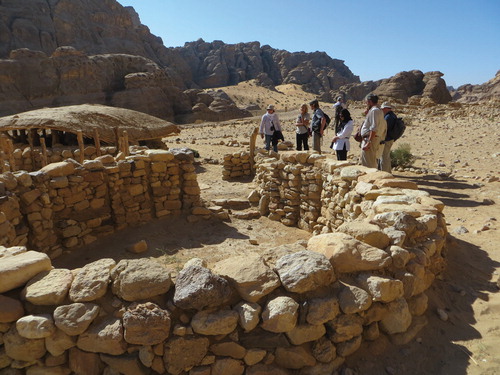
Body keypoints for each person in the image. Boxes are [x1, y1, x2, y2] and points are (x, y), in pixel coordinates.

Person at [359, 93, 386, 168]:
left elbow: (374, 127)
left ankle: (370, 179)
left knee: (368, 164)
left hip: (370, 140)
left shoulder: (375, 111)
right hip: (370, 139)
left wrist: (369, 142)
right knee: (369, 161)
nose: (366, 104)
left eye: (366, 102)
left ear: (369, 101)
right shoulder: (375, 111)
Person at [379, 102, 397, 172]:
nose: (382, 110)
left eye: (383, 109)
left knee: (384, 157)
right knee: (386, 156)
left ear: (386, 108)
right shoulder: (392, 115)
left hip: (386, 139)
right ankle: (388, 172)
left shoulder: (388, 117)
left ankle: (384, 173)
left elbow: (384, 129)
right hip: (390, 138)